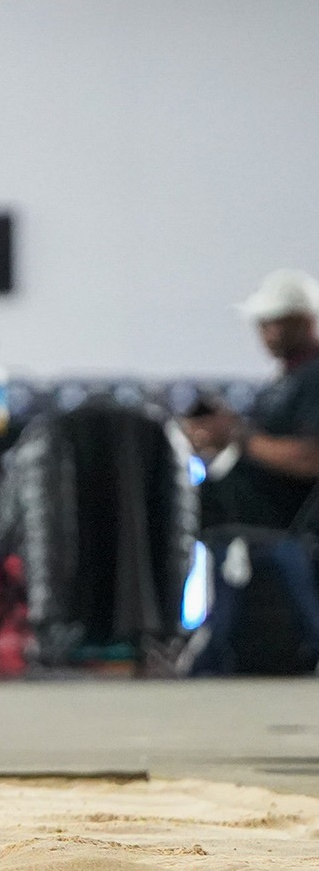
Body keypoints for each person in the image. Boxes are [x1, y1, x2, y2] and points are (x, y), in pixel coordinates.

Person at [180, 269, 319, 674]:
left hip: (281, 516)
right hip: (244, 506)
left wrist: (238, 436)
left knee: (167, 513)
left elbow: (309, 459)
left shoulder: (313, 377)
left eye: (276, 323)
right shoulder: (286, 379)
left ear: (304, 321)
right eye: (262, 324)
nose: (267, 333)